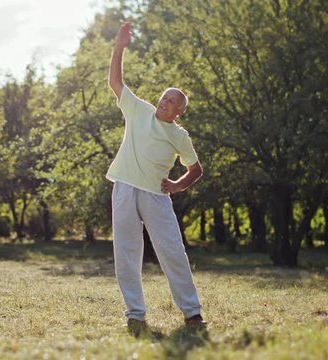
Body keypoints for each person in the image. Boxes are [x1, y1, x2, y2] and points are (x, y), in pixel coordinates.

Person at [107, 22, 207, 335]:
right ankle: (135, 313)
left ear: (180, 111)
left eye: (171, 101)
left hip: (155, 195)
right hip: (124, 187)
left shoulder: (179, 136)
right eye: (163, 98)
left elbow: (196, 169)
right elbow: (115, 82)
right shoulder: (139, 110)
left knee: (172, 251)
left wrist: (177, 185)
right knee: (126, 252)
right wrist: (120, 47)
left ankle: (192, 312)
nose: (164, 102)